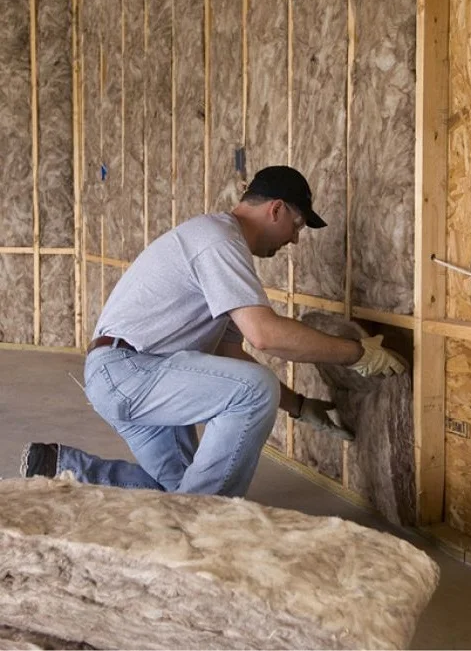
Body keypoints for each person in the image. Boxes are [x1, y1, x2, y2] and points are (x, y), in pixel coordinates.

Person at [20, 166, 404, 497]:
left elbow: (230, 353)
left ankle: (62, 467)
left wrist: (300, 407)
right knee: (253, 391)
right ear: (276, 210)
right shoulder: (219, 239)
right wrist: (359, 354)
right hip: (131, 371)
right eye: (298, 225)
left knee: (180, 489)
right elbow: (265, 335)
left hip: (130, 373)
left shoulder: (217, 244)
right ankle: (209, 523)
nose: (295, 239)